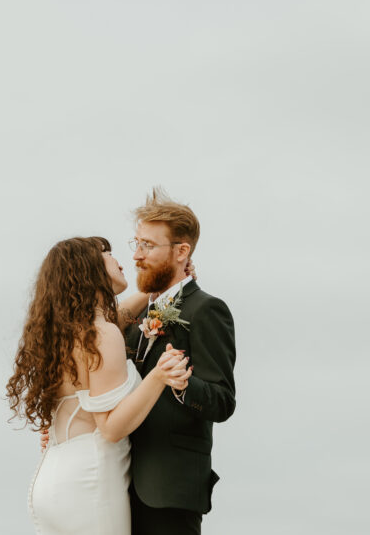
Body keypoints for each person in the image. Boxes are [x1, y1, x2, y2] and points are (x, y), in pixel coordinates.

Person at [6, 236, 191, 535]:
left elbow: (122, 315)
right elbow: (110, 428)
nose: (120, 259)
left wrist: (161, 285)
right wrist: (159, 377)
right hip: (89, 480)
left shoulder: (73, 332)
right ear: (88, 269)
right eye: (106, 252)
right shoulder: (102, 334)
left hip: (53, 478)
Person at [123, 188, 236, 535]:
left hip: (170, 489)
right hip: (120, 481)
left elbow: (223, 401)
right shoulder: (137, 313)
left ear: (181, 251)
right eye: (136, 243)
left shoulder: (207, 310)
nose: (138, 255)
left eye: (149, 246)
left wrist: (184, 384)